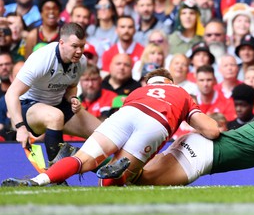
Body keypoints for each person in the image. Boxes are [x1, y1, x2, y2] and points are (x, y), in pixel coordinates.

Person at [1, 68, 221, 187]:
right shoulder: (181, 93)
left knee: (82, 160)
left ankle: (37, 180)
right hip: (156, 123)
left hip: (126, 113)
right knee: (116, 179)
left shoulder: (136, 92)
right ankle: (115, 171)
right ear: (170, 82)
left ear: (149, 83)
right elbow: (212, 131)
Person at [100, 93, 254, 186]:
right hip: (200, 157)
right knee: (140, 183)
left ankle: (124, 157)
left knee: (134, 179)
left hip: (195, 145)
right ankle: (125, 158)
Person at [4, 23, 102, 166]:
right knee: (55, 116)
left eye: (82, 46)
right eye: (74, 46)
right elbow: (11, 94)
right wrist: (20, 128)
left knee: (103, 132)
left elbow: (71, 87)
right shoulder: (42, 59)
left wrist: (72, 98)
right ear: (61, 43)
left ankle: (114, 173)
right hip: (28, 107)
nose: (79, 51)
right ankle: (55, 175)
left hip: (57, 104)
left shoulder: (81, 62)